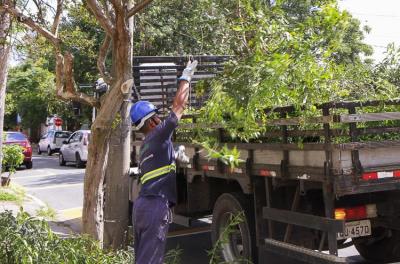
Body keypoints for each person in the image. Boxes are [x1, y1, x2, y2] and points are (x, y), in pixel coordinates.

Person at [130, 60, 198, 264]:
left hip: (141, 207)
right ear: (152, 122)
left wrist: (174, 154)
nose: (161, 119)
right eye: (158, 117)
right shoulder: (158, 135)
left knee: (143, 258)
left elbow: (157, 163)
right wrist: (186, 76)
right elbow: (179, 107)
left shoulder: (146, 146)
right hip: (154, 207)